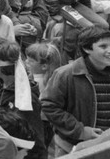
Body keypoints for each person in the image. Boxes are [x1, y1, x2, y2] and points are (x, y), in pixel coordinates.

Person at [40, 27, 110, 157]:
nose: (109, 50)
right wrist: (80, 130)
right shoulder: (65, 74)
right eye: (103, 46)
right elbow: (49, 106)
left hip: (106, 147)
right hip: (71, 147)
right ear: (87, 49)